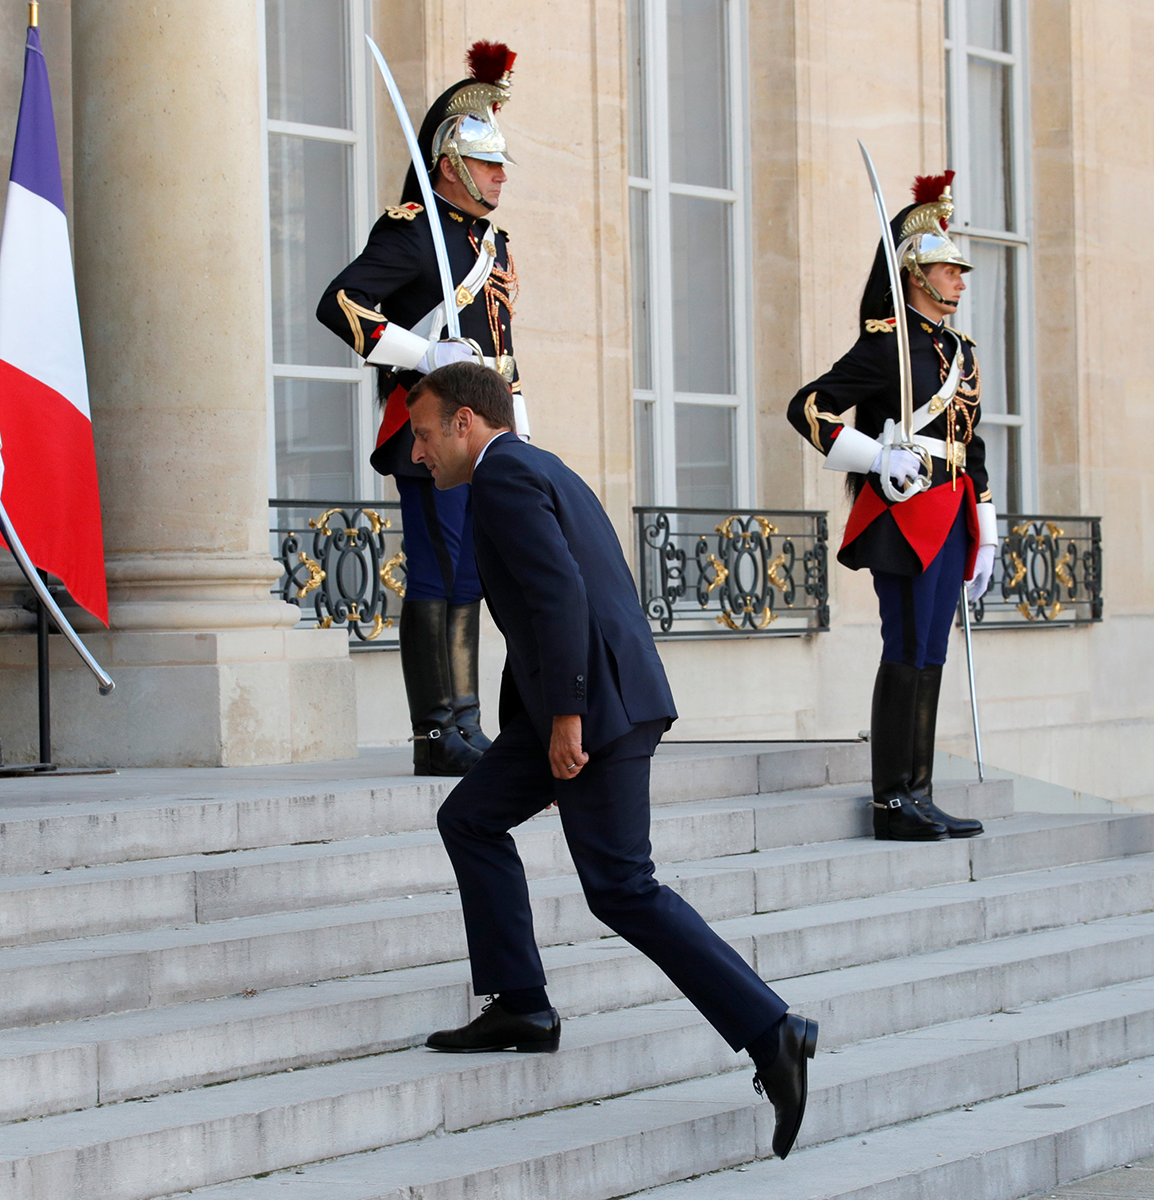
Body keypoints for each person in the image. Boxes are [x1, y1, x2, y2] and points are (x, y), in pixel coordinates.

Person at [408, 361, 817, 1162]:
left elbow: (560, 594)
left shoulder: (503, 478)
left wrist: (565, 720)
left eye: (422, 434)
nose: (417, 453)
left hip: (595, 705)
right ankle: (520, 1003)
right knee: (470, 815)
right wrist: (535, 727)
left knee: (622, 888)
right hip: (590, 696)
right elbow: (546, 607)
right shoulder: (536, 465)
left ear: (464, 422)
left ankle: (773, 1032)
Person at [316, 42, 527, 777]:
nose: (501, 174)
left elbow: (499, 347)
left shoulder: (489, 243)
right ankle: (436, 732)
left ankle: (466, 721)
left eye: (502, 162)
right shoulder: (414, 230)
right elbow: (340, 303)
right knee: (439, 571)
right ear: (450, 164)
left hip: (488, 431)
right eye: (488, 160)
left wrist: (516, 421)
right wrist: (423, 353)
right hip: (432, 428)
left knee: (472, 574)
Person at [787, 171, 997, 842]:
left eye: (961, 269)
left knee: (931, 652)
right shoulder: (888, 345)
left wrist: (987, 532)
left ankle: (920, 792)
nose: (961, 279)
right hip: (905, 516)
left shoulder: (958, 351)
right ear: (915, 274)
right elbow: (808, 406)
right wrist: (876, 458)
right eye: (947, 268)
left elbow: (973, 442)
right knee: (905, 648)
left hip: (952, 511)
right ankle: (891, 801)